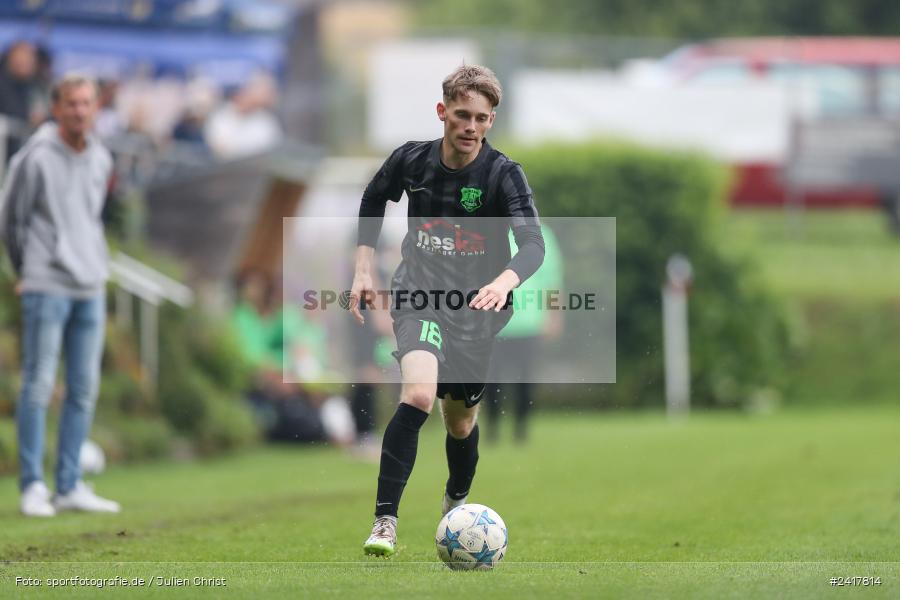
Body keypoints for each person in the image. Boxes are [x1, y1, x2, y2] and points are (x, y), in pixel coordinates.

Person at [350, 64, 544, 556]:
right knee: (417, 395)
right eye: (462, 115)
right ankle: (384, 522)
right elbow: (374, 199)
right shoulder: (412, 161)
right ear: (443, 112)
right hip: (419, 294)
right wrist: (363, 270)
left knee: (459, 424)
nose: (471, 127)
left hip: (477, 311)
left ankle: (456, 501)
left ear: (491, 120)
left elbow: (532, 245)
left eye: (481, 118)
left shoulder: (503, 174)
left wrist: (503, 282)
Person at [0, 74, 120, 516]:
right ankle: (33, 485)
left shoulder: (102, 158)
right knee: (38, 385)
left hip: (89, 283)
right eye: (71, 103)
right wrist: (25, 269)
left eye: (87, 103)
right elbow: (10, 219)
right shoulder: (33, 157)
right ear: (55, 108)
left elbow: (93, 219)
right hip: (45, 281)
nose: (80, 111)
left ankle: (69, 485)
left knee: (84, 389)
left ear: (96, 108)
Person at [486, 224, 564, 443]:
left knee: (524, 381)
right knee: (492, 381)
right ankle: (492, 429)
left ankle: (521, 430)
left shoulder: (543, 235)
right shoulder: (488, 233)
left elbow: (552, 281)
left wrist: (554, 317)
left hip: (529, 323)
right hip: (495, 323)